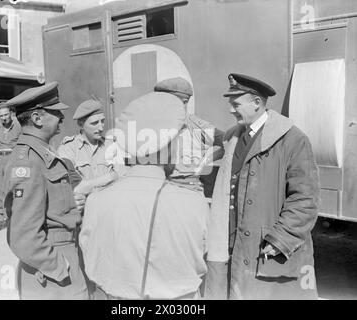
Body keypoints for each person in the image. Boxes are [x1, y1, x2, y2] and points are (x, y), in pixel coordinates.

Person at [79, 92, 209, 299]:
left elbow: (90, 257)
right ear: (170, 144)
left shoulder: (96, 201)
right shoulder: (194, 202)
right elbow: (202, 259)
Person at [205, 73, 320, 300]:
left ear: (257, 103)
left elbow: (306, 199)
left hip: (267, 249)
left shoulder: (293, 140)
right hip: (232, 247)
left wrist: (281, 239)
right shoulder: (233, 138)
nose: (230, 110)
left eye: (236, 104)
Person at [2, 82, 88, 299]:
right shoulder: (29, 161)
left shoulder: (44, 154)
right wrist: (60, 268)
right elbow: (23, 235)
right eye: (56, 112)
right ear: (37, 118)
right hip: (52, 266)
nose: (61, 117)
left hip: (62, 252)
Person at [154, 77, 224, 195]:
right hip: (159, 190)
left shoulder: (197, 126)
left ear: (185, 102)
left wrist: (205, 161)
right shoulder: (153, 125)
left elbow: (231, 142)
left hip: (188, 191)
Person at [57, 97, 125, 196]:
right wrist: (110, 177)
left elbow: (122, 178)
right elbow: (75, 188)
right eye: (94, 123)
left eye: (102, 121)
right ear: (81, 124)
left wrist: (87, 186)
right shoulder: (68, 149)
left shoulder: (111, 145)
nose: (101, 127)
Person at [0, 102, 21, 234]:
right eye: (1, 116)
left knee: (13, 189)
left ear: (11, 113)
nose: (4, 118)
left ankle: (14, 219)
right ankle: (0, 218)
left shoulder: (18, 125)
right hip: (0, 158)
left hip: (13, 158)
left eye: (6, 114)